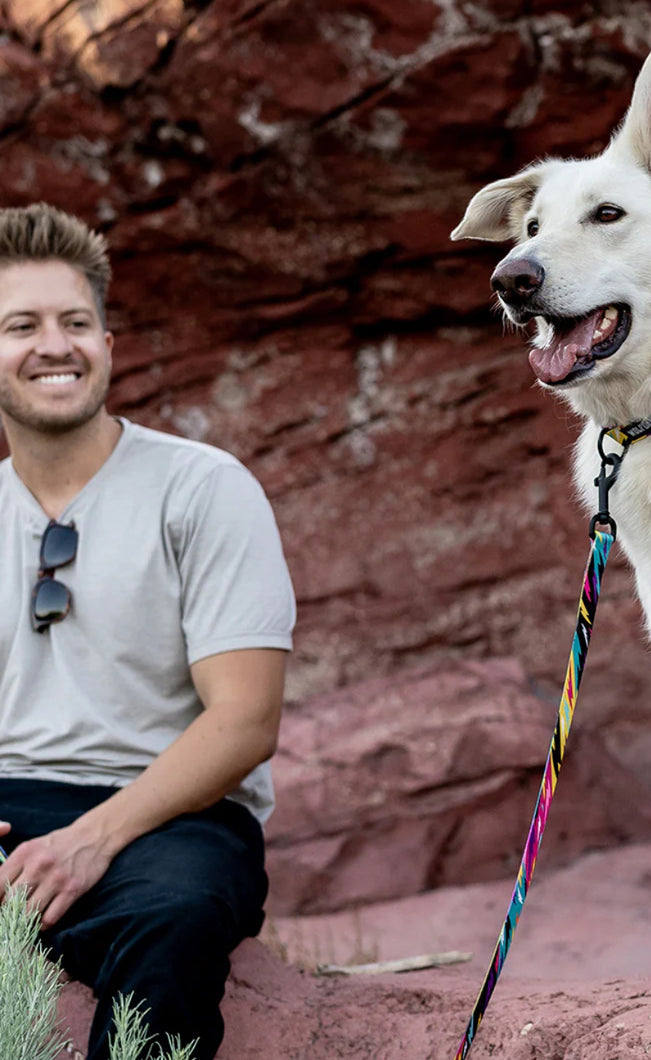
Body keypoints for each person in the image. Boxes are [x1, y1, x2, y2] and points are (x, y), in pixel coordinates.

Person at [0, 202, 296, 1059]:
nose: (55, 345)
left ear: (108, 343)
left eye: (76, 323)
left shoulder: (203, 488)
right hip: (10, 800)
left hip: (173, 815)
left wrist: (93, 839)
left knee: (176, 917)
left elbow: (245, 720)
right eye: (22, 325)